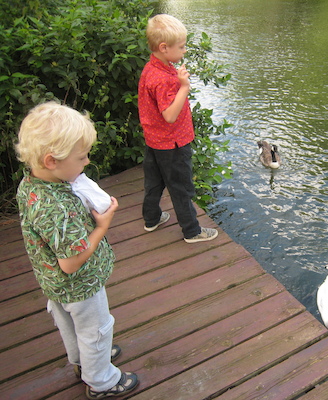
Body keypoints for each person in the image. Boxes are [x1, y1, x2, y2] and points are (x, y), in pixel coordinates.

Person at [15, 102, 139, 399]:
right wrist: (101, 226)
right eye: (81, 157)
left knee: (69, 324)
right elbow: (70, 263)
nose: (86, 162)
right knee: (96, 329)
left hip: (54, 285)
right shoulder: (55, 206)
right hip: (80, 285)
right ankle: (102, 380)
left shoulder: (32, 185)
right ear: (51, 160)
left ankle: (81, 362)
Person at [138, 13, 218, 243]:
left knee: (154, 181)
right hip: (173, 143)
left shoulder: (152, 68)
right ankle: (192, 231)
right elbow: (170, 115)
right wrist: (184, 87)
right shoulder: (164, 79)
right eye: (181, 47)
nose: (184, 51)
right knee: (181, 187)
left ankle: (151, 218)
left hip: (154, 140)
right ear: (164, 47)